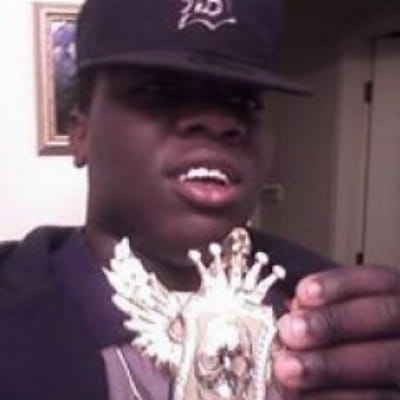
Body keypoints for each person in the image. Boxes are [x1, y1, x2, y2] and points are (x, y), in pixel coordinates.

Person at [1, 0, 400, 399]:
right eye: (160, 90)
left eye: (245, 101)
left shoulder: (337, 314)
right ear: (80, 132)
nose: (220, 122)